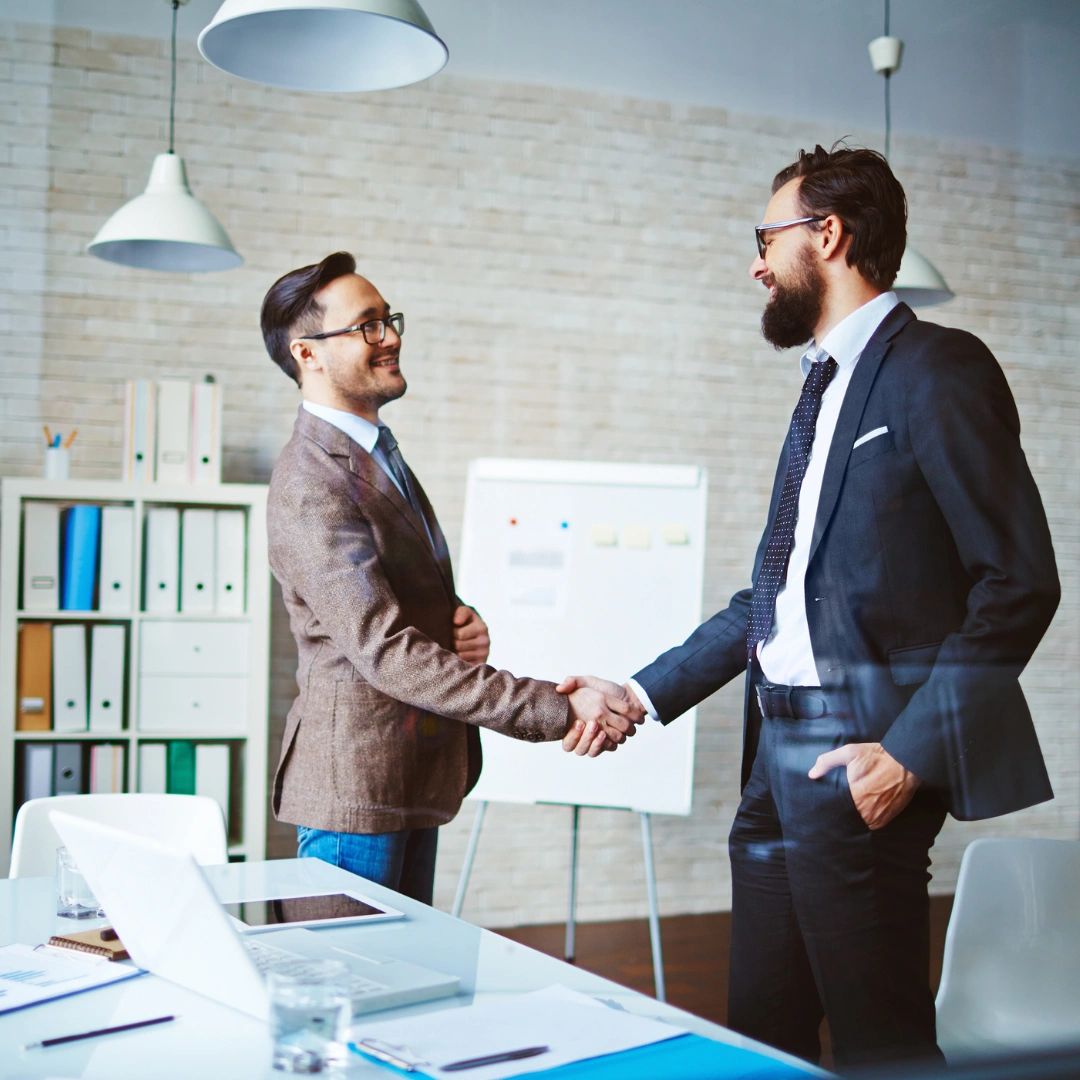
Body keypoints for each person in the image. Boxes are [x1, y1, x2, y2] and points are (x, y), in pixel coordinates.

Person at [561, 145, 1059, 1068]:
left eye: (767, 236)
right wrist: (639, 691)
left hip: (862, 752)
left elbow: (1019, 581)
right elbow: (776, 596)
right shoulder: (819, 388)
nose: (756, 261)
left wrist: (910, 755)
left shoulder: (938, 369)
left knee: (882, 1046)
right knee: (762, 1033)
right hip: (773, 754)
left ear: (827, 235)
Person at [261, 252, 638, 905]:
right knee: (348, 998)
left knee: (404, 997)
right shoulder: (308, 481)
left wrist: (454, 618)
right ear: (308, 354)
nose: (392, 337)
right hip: (353, 795)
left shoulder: (376, 450)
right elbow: (382, 649)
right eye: (367, 326)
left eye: (390, 320)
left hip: (405, 778)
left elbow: (387, 594)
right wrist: (555, 708)